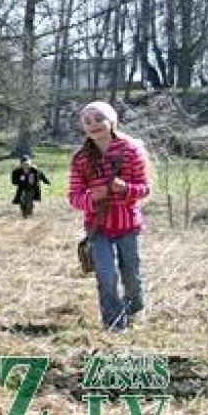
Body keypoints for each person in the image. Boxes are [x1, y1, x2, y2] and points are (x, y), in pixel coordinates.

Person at [68, 101, 151, 332]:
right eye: (87, 121)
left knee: (131, 275)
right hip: (98, 228)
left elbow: (144, 188)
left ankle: (134, 311)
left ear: (111, 121)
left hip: (127, 225)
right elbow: (74, 197)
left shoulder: (131, 150)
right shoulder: (80, 158)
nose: (93, 124)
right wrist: (93, 196)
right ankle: (114, 324)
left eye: (98, 119)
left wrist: (125, 188)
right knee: (106, 276)